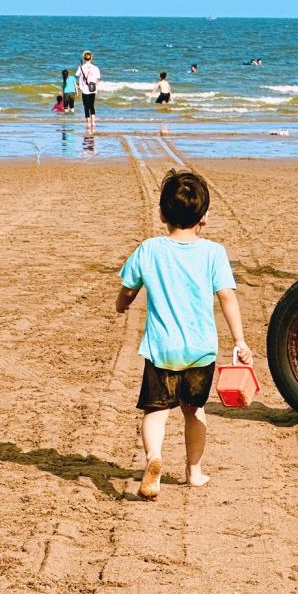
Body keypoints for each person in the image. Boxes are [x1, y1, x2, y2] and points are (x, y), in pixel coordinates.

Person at [115, 170, 251, 501]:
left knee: (156, 412)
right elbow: (227, 297)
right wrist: (240, 340)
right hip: (200, 350)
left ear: (162, 214)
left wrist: (121, 304)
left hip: (162, 349)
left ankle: (154, 459)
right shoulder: (213, 253)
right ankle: (194, 472)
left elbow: (128, 290)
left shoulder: (149, 250)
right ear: (203, 217)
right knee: (194, 411)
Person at [77, 50, 101, 131]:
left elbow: (77, 75)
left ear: (84, 58)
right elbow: (97, 79)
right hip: (92, 88)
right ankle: (93, 122)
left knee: (86, 106)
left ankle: (88, 122)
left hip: (84, 88)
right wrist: (95, 86)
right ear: (91, 58)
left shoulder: (81, 67)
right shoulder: (95, 68)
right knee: (92, 105)